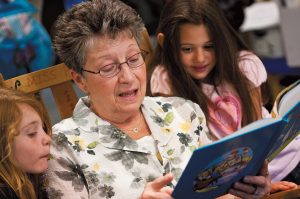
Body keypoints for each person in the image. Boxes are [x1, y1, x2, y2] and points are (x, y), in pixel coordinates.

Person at [45, 0, 271, 198]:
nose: (128, 77)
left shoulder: (184, 112)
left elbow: (217, 187)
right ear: (80, 79)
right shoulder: (61, 146)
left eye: (134, 59)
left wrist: (245, 189)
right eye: (108, 68)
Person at [149, 0, 298, 193]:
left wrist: (265, 181)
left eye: (209, 46)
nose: (200, 58)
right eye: (187, 49)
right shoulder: (166, 81)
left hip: (274, 161)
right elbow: (187, 149)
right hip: (228, 182)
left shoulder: (245, 66)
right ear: (165, 43)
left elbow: (258, 133)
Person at [0, 87, 51, 199]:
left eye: (43, 129)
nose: (48, 139)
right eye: (32, 133)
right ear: (3, 146)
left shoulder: (33, 179)